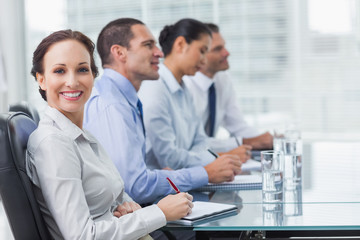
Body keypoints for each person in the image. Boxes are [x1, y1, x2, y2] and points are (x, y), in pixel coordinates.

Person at [26, 29, 193, 240]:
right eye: (59, 71)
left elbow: (110, 201)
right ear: (41, 80)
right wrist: (159, 212)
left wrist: (127, 208)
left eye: (82, 70)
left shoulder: (82, 135)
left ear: (93, 76)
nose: (72, 81)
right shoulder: (53, 143)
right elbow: (82, 236)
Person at [84, 18, 241, 205]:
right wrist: (204, 173)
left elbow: (136, 176)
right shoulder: (113, 106)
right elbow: (136, 188)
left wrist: (167, 175)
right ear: (119, 52)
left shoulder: (124, 99)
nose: (159, 53)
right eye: (148, 45)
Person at [138, 18, 251, 172]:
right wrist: (215, 161)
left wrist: (215, 160)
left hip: (184, 179)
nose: (204, 61)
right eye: (202, 51)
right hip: (162, 188)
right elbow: (169, 159)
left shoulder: (183, 89)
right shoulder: (155, 89)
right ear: (181, 45)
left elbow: (200, 141)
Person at [183, 23, 273, 151]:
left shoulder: (222, 79)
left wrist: (264, 139)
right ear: (200, 54)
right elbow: (191, 143)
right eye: (217, 49)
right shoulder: (185, 86)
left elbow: (237, 125)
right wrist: (245, 142)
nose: (226, 53)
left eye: (224, 46)